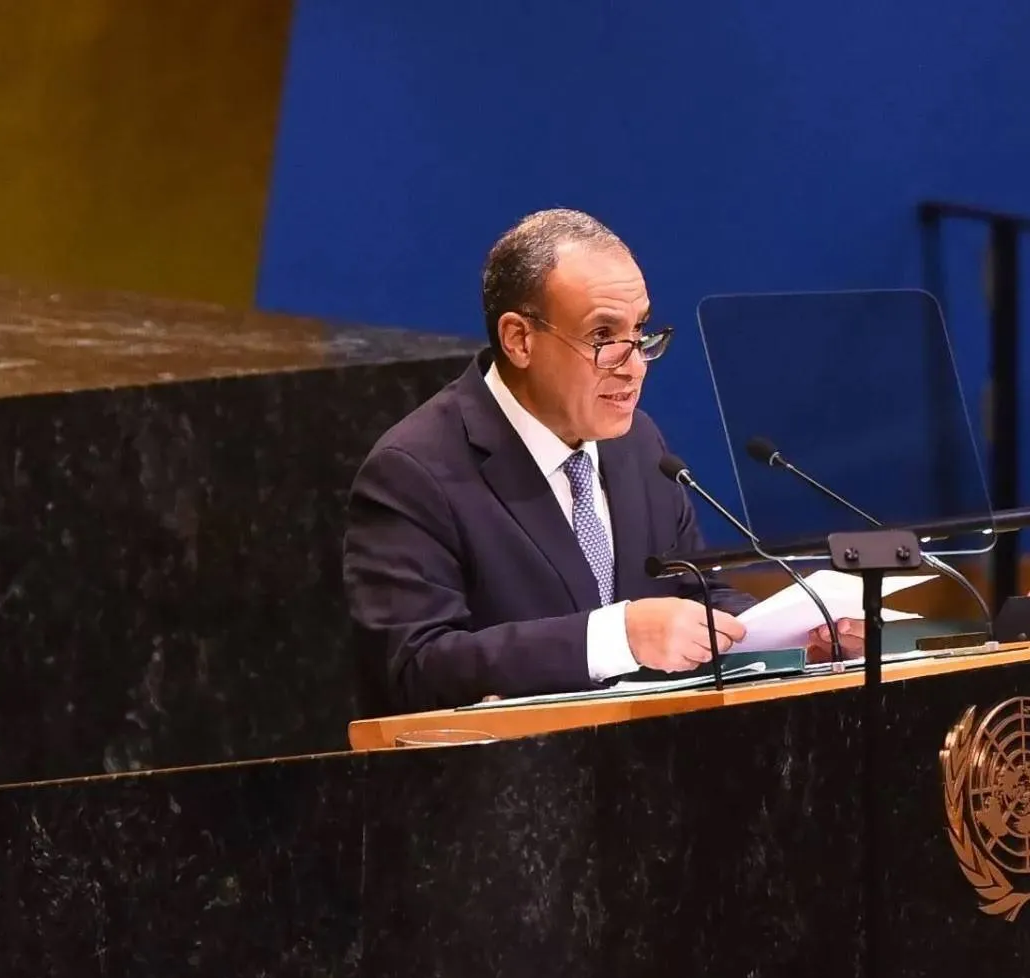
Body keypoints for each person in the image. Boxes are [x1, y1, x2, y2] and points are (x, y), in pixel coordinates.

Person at [343, 208, 863, 714]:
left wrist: (797, 639)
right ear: (519, 339)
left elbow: (690, 592)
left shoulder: (637, 444)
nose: (634, 366)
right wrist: (616, 635)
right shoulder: (414, 470)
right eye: (602, 337)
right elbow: (415, 667)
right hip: (505, 787)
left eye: (640, 332)